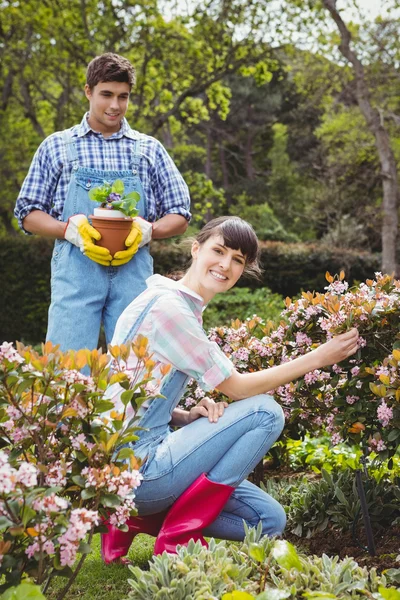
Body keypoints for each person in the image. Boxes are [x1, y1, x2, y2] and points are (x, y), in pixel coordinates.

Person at [101, 216, 359, 562]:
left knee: (268, 521)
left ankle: (135, 519)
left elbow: (129, 395)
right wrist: (317, 357)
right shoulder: (170, 309)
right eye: (219, 251)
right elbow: (237, 389)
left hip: (135, 461)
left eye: (238, 259)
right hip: (138, 471)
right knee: (265, 413)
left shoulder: (172, 302)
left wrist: (182, 415)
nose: (226, 264)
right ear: (196, 249)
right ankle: (178, 535)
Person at [14, 53, 190, 352]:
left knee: (136, 370)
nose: (115, 105)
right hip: (76, 273)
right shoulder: (57, 146)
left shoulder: (149, 149)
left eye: (123, 97)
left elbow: (180, 213)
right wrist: (68, 229)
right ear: (88, 91)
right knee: (65, 369)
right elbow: (27, 213)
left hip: (132, 273)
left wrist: (149, 230)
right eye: (106, 94)